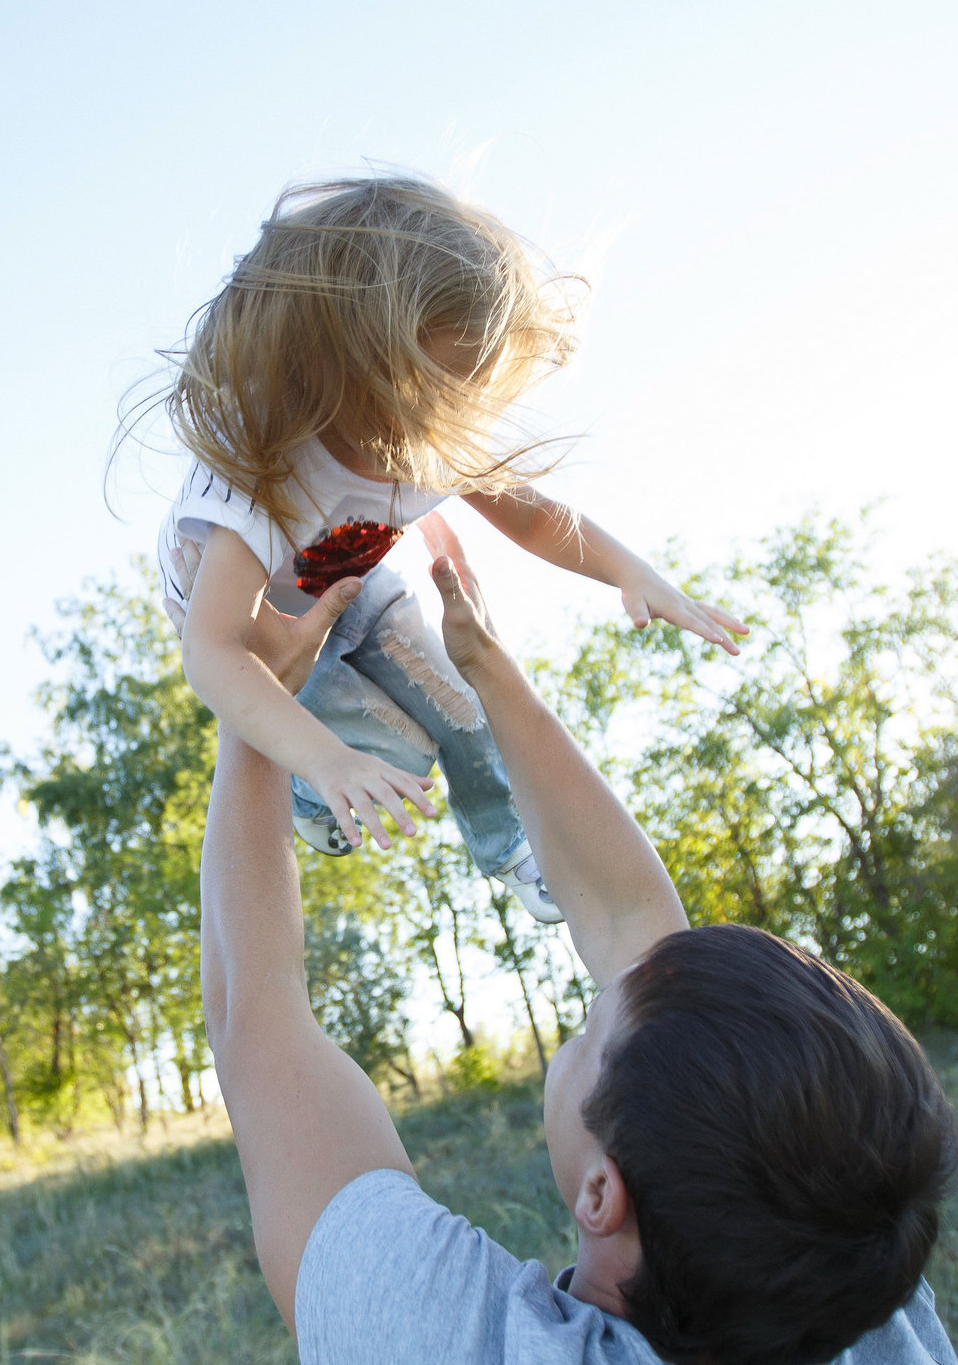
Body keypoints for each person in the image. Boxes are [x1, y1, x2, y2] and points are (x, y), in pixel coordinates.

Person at [200, 543, 958, 1365]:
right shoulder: (877, 1336)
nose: (607, 978)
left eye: (599, 1020)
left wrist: (252, 699)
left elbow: (255, 1020)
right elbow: (634, 933)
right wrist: (480, 665)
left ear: (605, 1192)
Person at [152, 172, 746, 922]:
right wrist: (325, 759)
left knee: (461, 713)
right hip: (263, 627)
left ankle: (511, 849)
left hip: (356, 587)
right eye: (424, 396)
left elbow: (533, 518)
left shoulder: (430, 439)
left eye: (460, 403)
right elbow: (212, 652)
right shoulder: (262, 471)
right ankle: (312, 795)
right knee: (395, 752)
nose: (438, 430)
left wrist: (631, 571)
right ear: (343, 366)